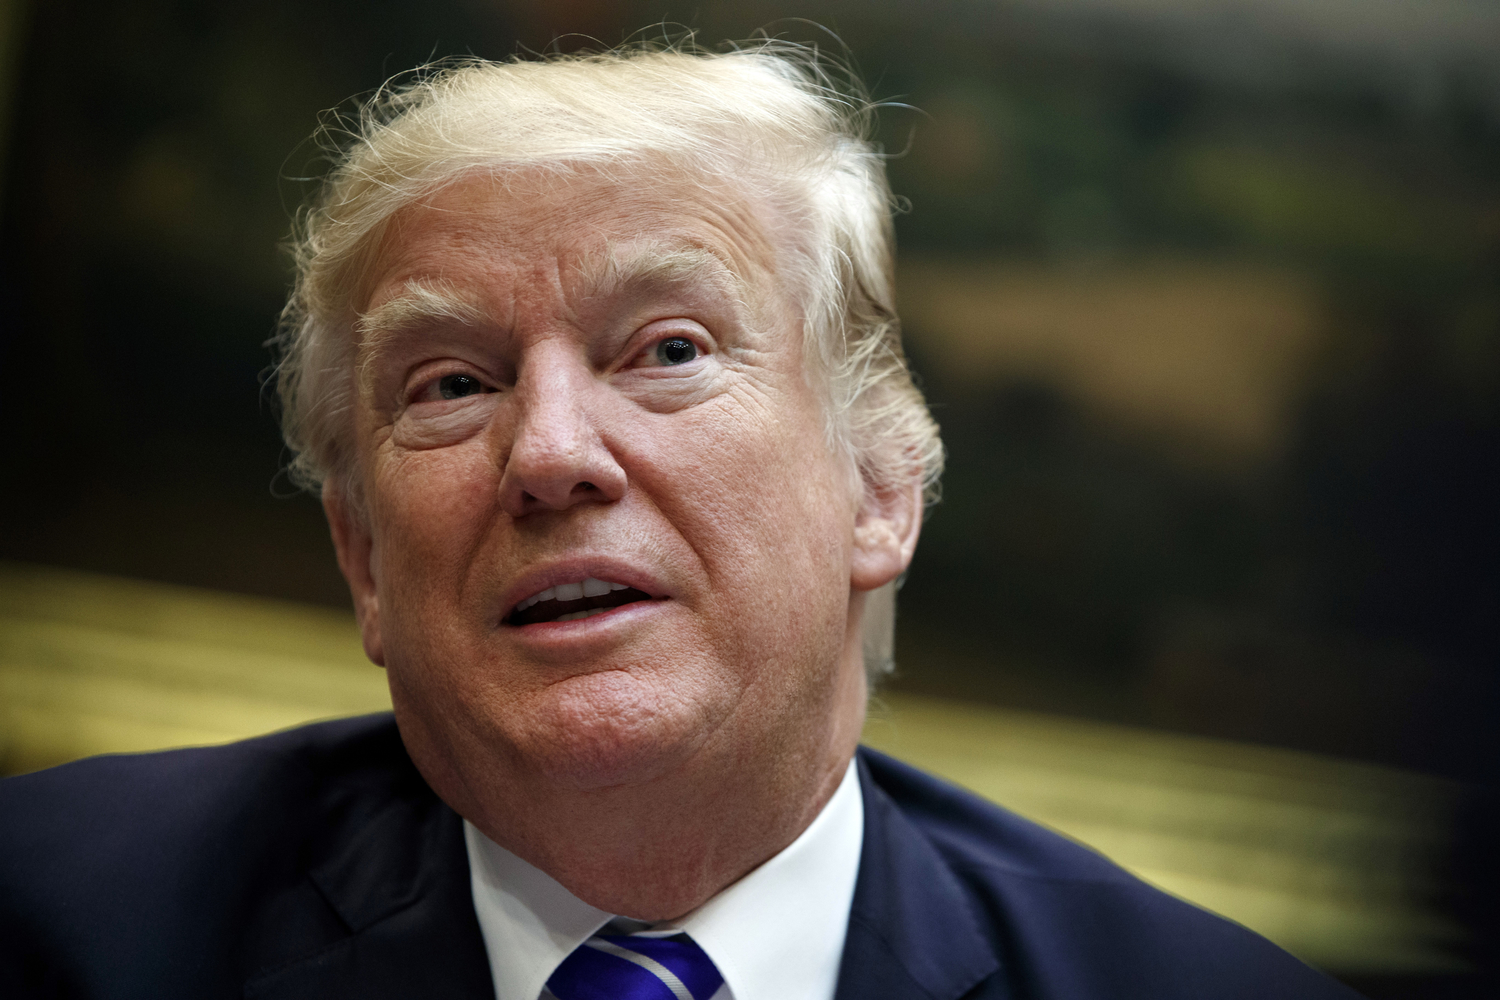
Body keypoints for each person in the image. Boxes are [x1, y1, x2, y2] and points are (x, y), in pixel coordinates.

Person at [0, 42, 1360, 1000]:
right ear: (363, 560)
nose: (547, 453)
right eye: (453, 382)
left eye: (667, 351)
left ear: (880, 489)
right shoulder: (55, 924)